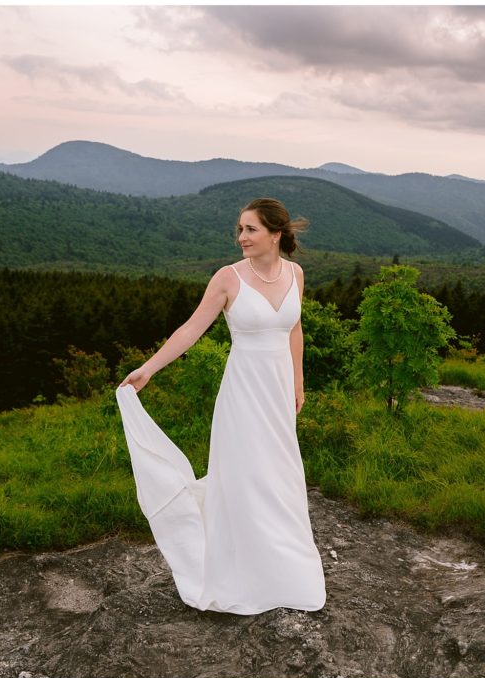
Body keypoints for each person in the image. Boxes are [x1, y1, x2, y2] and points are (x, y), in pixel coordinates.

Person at [116, 197, 327, 615]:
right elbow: (192, 329)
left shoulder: (296, 274)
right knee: (246, 475)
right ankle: (245, 568)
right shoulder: (228, 279)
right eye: (240, 229)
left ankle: (284, 566)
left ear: (275, 234)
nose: (241, 237)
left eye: (250, 229)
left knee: (280, 474)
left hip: (278, 391)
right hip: (243, 392)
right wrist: (149, 368)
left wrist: (298, 383)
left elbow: (295, 329)